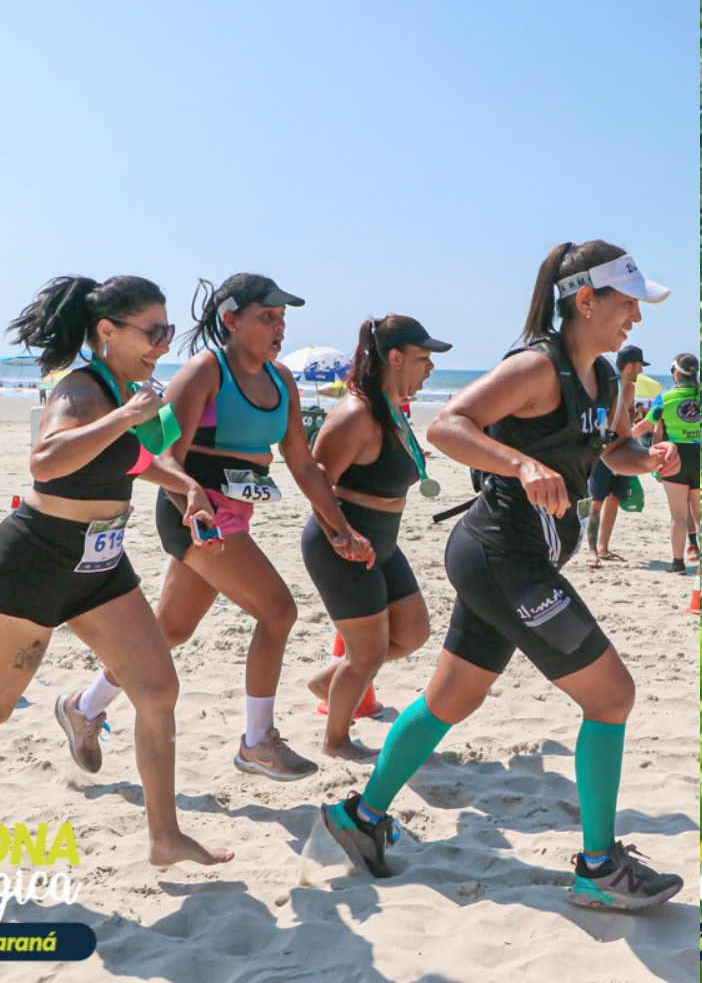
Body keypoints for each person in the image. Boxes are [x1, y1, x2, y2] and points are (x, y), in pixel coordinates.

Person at [322, 240, 685, 909]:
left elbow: (611, 451)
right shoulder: (536, 367)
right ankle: (600, 869)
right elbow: (449, 426)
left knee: (451, 701)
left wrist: (648, 458)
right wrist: (520, 465)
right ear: (585, 300)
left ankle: (360, 818)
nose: (636, 314)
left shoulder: (602, 379)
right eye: (627, 301)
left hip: (513, 561)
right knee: (611, 697)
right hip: (502, 557)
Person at [59, 274, 375, 783]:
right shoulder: (207, 370)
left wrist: (339, 527)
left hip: (234, 514)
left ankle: (85, 707)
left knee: (171, 631)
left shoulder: (282, 381)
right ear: (230, 319)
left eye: (282, 318)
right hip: (195, 511)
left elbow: (302, 463)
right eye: (267, 316)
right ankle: (256, 742)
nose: (279, 327)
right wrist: (193, 503)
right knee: (278, 611)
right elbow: (165, 456)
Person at [4, 275, 231, 866]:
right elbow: (48, 461)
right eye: (153, 332)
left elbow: (129, 458)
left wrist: (186, 488)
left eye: (169, 331)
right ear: (108, 332)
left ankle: (165, 837)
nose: (163, 344)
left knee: (157, 690)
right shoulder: (83, 390)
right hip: (36, 563)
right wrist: (124, 416)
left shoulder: (120, 386)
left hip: (99, 565)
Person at [301, 315, 452, 759]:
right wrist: (342, 534)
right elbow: (316, 480)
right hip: (344, 544)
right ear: (395, 357)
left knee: (412, 633)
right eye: (423, 358)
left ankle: (331, 679)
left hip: (382, 541)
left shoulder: (391, 410)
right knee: (365, 655)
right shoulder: (357, 412)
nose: (429, 368)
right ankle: (335, 741)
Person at [584, 343, 646, 568]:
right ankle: (591, 551)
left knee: (614, 498)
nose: (641, 371)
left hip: (622, 452)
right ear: (630, 365)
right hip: (602, 452)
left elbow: (628, 417)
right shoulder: (607, 386)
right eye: (640, 366)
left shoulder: (629, 390)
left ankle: (603, 548)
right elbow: (595, 415)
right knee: (596, 501)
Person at [646, 353, 702, 572]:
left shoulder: (665, 398)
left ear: (676, 373)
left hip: (675, 457)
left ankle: (678, 563)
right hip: (700, 455)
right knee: (700, 516)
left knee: (678, 516)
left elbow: (650, 426)